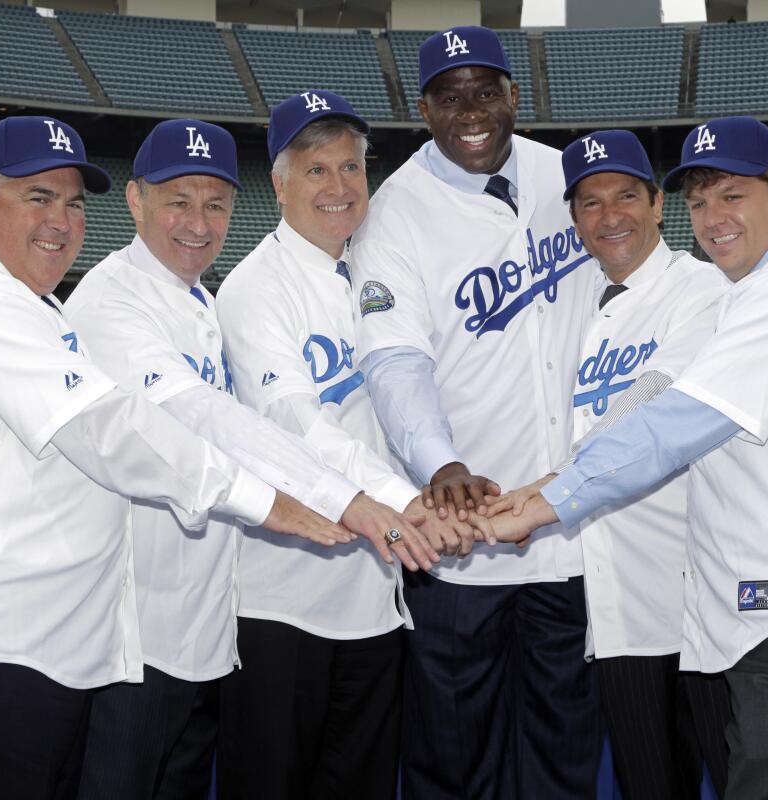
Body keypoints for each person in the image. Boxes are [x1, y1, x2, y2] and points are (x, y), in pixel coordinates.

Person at [0, 115, 357, 800]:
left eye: (73, 202)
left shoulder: (35, 303)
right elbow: (111, 431)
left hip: (47, 641)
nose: (61, 220)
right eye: (37, 197)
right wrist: (269, 501)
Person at [485, 115, 768, 799]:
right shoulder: (765, 289)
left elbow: (680, 422)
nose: (713, 217)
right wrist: (553, 479)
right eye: (700, 199)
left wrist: (544, 505)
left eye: (733, 194)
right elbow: (660, 395)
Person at [63, 117, 439, 800]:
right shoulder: (122, 300)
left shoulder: (202, 301)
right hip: (144, 631)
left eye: (214, 204)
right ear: (136, 199)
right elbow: (235, 419)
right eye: (178, 200)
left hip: (215, 627)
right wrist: (366, 501)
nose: (198, 223)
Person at [352, 27, 600, 799]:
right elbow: (394, 360)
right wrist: (440, 464)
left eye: (485, 91)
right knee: (456, 764)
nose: (471, 111)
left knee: (564, 755)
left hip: (565, 532)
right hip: (460, 542)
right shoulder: (395, 210)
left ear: (513, 97)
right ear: (423, 107)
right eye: (450, 96)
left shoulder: (563, 176)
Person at [214, 90, 478, 800]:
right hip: (282, 606)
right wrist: (406, 503)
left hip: (377, 603)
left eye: (351, 168)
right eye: (316, 170)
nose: (338, 188)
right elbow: (297, 427)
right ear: (279, 183)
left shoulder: (382, 272)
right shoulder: (253, 290)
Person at [557, 128, 732, 798]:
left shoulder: (704, 288)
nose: (611, 216)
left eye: (626, 195)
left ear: (659, 203)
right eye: (591, 203)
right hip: (621, 612)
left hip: (700, 602)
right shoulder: (579, 311)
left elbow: (657, 395)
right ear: (575, 222)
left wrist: (553, 485)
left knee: (742, 778)